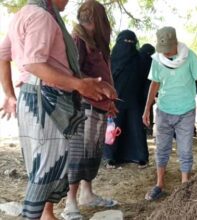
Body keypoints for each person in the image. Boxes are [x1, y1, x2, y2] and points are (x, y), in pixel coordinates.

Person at [0, 0, 117, 219]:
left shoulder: (23, 14)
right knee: (46, 171)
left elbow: (3, 55)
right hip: (46, 100)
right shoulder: (42, 17)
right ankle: (32, 215)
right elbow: (35, 65)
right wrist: (81, 85)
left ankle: (45, 215)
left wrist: (9, 94)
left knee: (45, 167)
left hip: (34, 98)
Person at [62, 1, 118, 219]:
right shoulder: (77, 38)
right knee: (78, 153)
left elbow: (104, 75)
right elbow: (73, 74)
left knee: (93, 152)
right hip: (82, 105)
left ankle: (87, 194)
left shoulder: (97, 42)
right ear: (95, 20)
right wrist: (98, 88)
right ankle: (70, 202)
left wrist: (109, 100)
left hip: (99, 105)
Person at [142, 26, 197, 201]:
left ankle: (185, 185)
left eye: (168, 50)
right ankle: (159, 184)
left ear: (175, 44)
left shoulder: (189, 56)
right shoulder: (157, 60)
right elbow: (154, 84)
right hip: (164, 110)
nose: (165, 53)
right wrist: (147, 107)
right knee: (162, 149)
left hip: (186, 110)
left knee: (185, 150)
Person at [103, 30, 149, 169]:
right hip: (115, 101)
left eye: (131, 42)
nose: (128, 45)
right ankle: (110, 158)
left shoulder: (140, 59)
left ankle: (140, 157)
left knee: (136, 129)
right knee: (113, 129)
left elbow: (147, 80)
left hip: (135, 101)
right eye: (125, 42)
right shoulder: (111, 59)